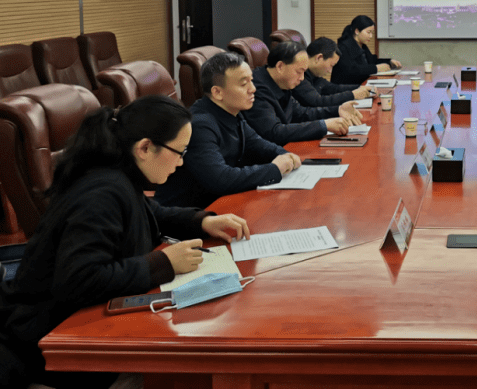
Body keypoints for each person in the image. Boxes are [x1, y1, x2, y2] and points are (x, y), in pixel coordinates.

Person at [0, 95, 251, 389]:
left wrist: (201, 221)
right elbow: (80, 279)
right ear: (145, 147)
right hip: (53, 340)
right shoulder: (101, 193)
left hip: (80, 323)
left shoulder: (118, 176)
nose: (182, 162)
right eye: (179, 151)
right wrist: (163, 262)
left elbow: (150, 212)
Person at [155, 51, 303, 209]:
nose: (253, 89)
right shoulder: (200, 125)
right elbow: (220, 179)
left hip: (221, 204)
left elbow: (258, 144)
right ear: (217, 92)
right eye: (243, 84)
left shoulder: (231, 112)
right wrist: (274, 169)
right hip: (190, 218)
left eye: (251, 81)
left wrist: (284, 155)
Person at [246, 42, 354, 145]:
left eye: (304, 72)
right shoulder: (256, 89)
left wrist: (337, 110)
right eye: (299, 72)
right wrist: (323, 125)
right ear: (280, 66)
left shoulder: (281, 82)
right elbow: (274, 132)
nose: (302, 78)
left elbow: (301, 113)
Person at [292, 37, 373, 108]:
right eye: (331, 65)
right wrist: (352, 95)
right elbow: (317, 101)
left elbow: (333, 88)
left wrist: (360, 88)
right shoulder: (299, 76)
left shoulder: (314, 74)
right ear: (319, 58)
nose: (330, 71)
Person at [331, 15, 401, 85]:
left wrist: (389, 61)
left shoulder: (362, 45)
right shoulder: (343, 47)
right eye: (368, 32)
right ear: (357, 31)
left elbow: (371, 61)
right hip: (345, 89)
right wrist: (376, 68)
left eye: (372, 33)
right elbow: (352, 70)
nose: (371, 36)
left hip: (361, 85)